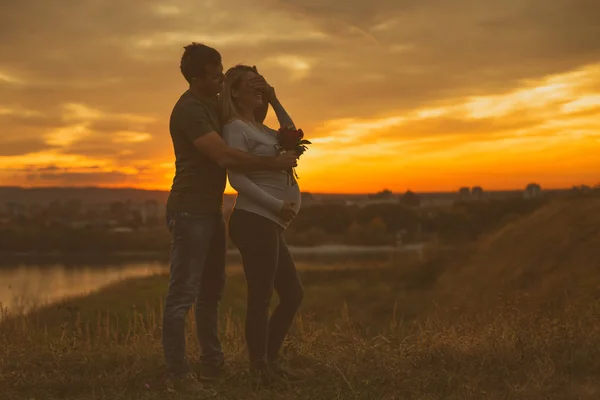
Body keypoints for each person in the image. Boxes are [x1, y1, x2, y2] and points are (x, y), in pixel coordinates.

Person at [162, 44, 298, 392]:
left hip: (210, 210)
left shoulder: (215, 104)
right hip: (189, 209)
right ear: (196, 79)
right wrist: (274, 165)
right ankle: (179, 375)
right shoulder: (190, 110)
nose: (221, 79)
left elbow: (265, 127)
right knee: (182, 295)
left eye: (222, 73)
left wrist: (267, 94)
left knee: (211, 292)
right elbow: (225, 157)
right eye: (215, 76)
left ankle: (212, 364)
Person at [221, 65, 305, 384]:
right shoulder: (234, 128)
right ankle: (261, 370)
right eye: (252, 87)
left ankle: (268, 362)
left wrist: (275, 97)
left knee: (293, 294)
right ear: (235, 92)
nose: (259, 91)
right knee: (261, 296)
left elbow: (292, 136)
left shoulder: (261, 128)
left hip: (268, 222)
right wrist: (276, 206)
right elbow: (236, 178)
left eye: (262, 86)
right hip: (255, 220)